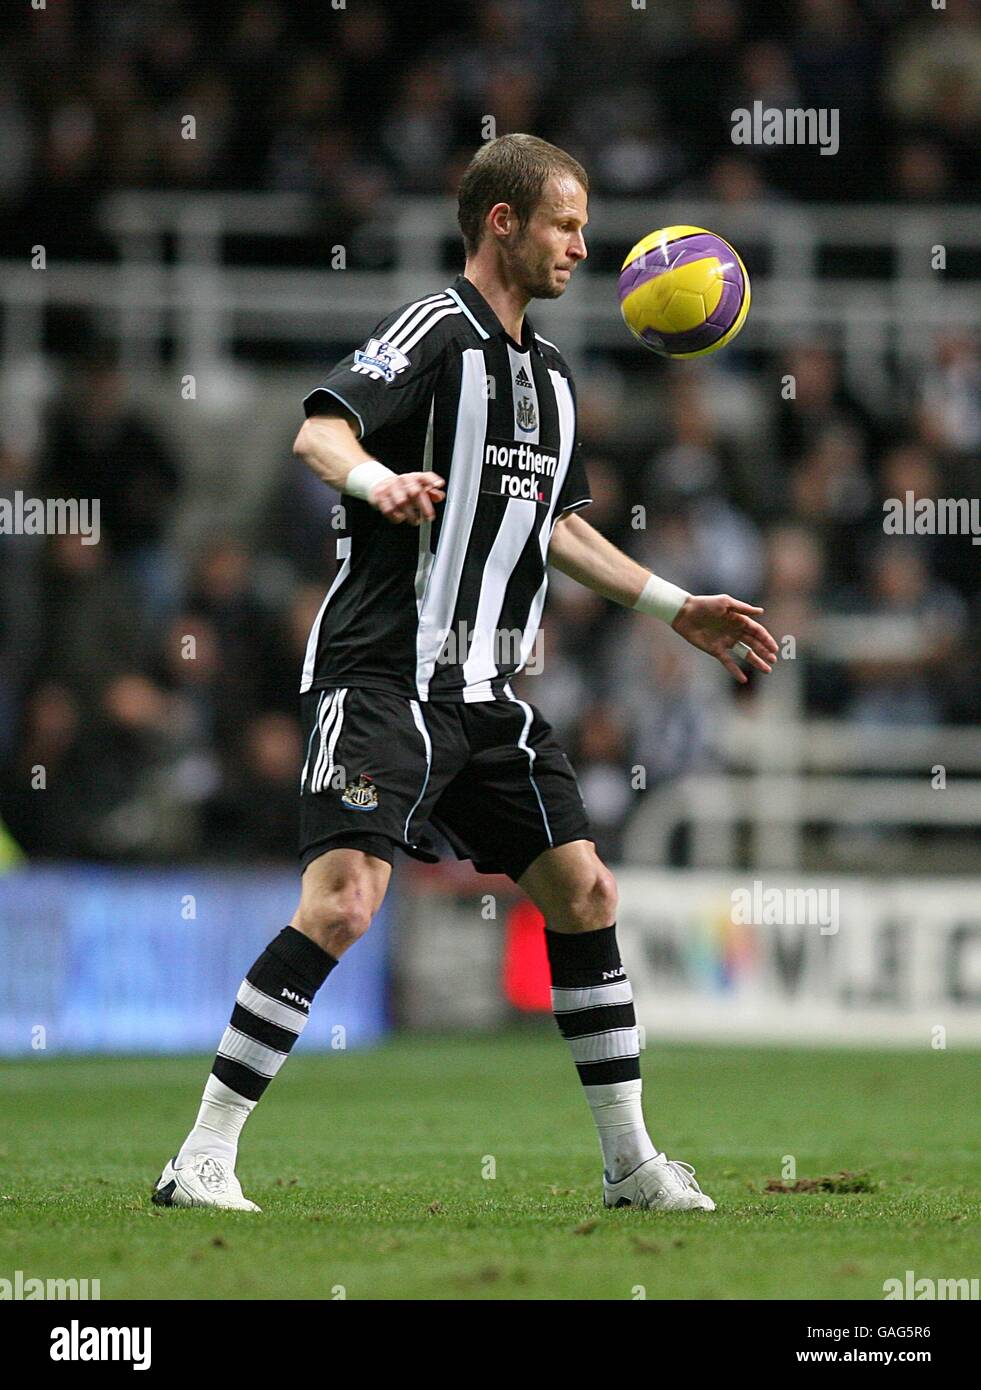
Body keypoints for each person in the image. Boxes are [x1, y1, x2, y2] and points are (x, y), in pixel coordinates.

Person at [153, 134, 777, 1214]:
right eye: (567, 224)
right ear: (504, 222)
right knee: (346, 903)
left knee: (583, 891)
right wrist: (377, 477)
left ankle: (630, 1163)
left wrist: (681, 609)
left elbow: (559, 531)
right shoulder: (436, 332)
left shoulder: (555, 377)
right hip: (385, 674)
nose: (586, 246)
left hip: (488, 693)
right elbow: (317, 431)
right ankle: (202, 1156)